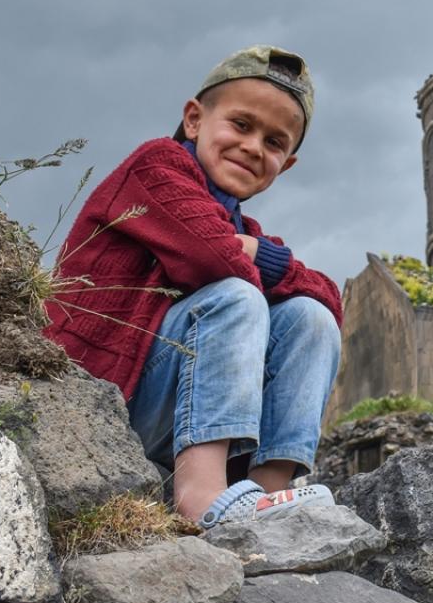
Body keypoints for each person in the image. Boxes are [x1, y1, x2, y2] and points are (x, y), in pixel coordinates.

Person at [44, 45, 342, 528]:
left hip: (172, 411)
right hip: (100, 407)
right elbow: (214, 257)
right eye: (241, 124)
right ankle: (202, 496)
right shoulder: (156, 169)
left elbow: (328, 297)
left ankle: (269, 492)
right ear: (194, 119)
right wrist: (249, 258)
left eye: (273, 142)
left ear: (285, 165)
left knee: (310, 319)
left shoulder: (244, 229)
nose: (253, 147)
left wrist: (257, 252)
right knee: (236, 296)